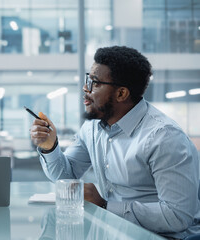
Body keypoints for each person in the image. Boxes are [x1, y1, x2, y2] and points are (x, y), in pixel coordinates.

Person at [30, 46, 200, 239]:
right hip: (113, 231)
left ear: (121, 94)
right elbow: (65, 177)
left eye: (94, 83)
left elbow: (177, 217)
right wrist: (50, 147)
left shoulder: (164, 137)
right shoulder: (93, 128)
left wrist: (105, 206)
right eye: (88, 79)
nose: (86, 88)